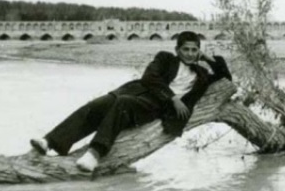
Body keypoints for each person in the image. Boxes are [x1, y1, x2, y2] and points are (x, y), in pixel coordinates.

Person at [30, 31, 232, 172]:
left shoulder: (202, 75)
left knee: (123, 104)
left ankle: (95, 154)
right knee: (98, 104)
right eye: (186, 49)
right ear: (177, 50)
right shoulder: (165, 59)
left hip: (157, 106)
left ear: (198, 52)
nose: (189, 54)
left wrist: (204, 56)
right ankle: (50, 141)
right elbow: (149, 78)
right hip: (139, 92)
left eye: (194, 50)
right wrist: (173, 97)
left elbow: (225, 75)